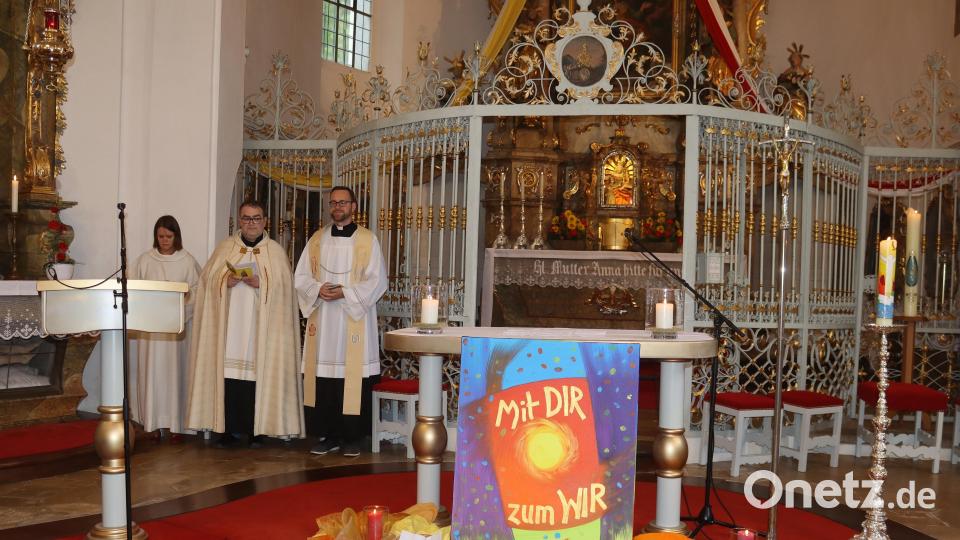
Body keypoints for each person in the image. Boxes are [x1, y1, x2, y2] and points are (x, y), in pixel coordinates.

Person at [186, 200, 303, 447]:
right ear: (239, 221)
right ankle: (227, 431)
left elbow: (287, 290)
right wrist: (223, 282)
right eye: (247, 218)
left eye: (256, 218)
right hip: (230, 329)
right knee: (229, 376)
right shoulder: (226, 248)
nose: (251, 223)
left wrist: (264, 284)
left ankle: (257, 431)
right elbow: (207, 280)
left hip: (261, 332)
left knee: (256, 377)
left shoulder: (275, 251)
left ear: (265, 221)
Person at [294, 186, 387, 457]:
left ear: (353, 206)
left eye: (343, 202)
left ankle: (352, 438)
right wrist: (317, 290)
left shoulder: (368, 240)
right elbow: (301, 277)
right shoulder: (316, 240)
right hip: (323, 321)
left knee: (351, 376)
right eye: (333, 203)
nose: (338, 207)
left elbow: (377, 279)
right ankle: (327, 435)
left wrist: (345, 292)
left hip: (352, 319)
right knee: (324, 378)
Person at [130, 215, 201, 441]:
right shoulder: (145, 260)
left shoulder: (187, 261)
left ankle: (176, 425)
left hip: (175, 332)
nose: (164, 240)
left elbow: (198, 292)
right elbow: (132, 287)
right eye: (160, 236)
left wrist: (179, 308)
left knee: (175, 376)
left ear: (176, 236)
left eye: (169, 236)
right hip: (151, 332)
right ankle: (151, 423)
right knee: (152, 376)